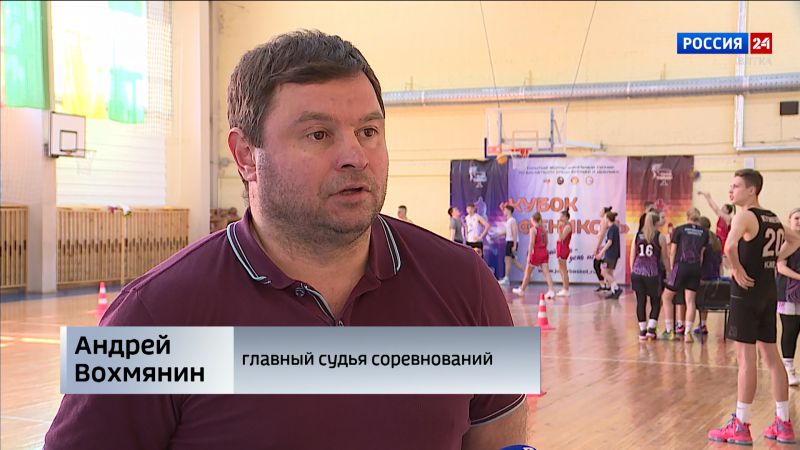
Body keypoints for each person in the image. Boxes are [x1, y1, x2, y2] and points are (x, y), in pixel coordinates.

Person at [44, 30, 526, 449]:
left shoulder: (466, 284)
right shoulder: (148, 317)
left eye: (368, 130)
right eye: (318, 134)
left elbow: (504, 440)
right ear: (245, 155)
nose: (355, 155)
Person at [708, 169, 798, 445]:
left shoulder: (744, 216)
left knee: (746, 360)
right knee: (771, 357)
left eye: (736, 186)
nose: (730, 190)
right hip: (768, 292)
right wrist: (773, 258)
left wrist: (736, 269)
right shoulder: (772, 218)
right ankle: (783, 423)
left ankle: (741, 424)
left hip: (745, 294)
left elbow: (729, 247)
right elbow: (796, 240)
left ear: (751, 190)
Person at [660, 208, 708, 343]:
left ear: (687, 216)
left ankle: (669, 331)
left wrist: (671, 269)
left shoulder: (680, 229)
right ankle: (688, 333)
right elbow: (701, 255)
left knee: (666, 297)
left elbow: (673, 251)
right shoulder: (704, 232)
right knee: (690, 301)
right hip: (695, 267)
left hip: (681, 266)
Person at [629, 211, 670, 340]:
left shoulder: (637, 236)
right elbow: (665, 258)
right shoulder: (659, 237)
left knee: (640, 302)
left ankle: (642, 331)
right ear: (656, 222)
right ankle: (651, 329)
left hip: (637, 273)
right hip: (653, 274)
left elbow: (632, 256)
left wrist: (633, 271)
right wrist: (669, 272)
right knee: (656, 301)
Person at [777, 207, 800, 386]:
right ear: (789, 221)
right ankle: (788, 369)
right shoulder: (787, 241)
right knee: (790, 330)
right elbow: (780, 266)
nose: (799, 221)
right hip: (787, 292)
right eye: (796, 218)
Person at [513, 212, 555, 298]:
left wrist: (529, 255)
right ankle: (551, 290)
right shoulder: (543, 230)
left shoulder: (533, 229)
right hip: (544, 252)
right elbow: (546, 242)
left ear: (533, 220)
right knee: (547, 273)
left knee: (527, 272)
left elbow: (531, 243)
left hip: (536, 253)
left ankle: (522, 290)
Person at [694, 216, 723, 335]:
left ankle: (683, 325)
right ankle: (702, 324)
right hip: (715, 277)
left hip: (703, 276)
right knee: (704, 301)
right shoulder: (717, 239)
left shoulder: (702, 240)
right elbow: (720, 261)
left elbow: (700, 260)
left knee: (692, 299)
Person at [698, 191, 734, 270]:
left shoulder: (728, 218)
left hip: (725, 244)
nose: (721, 208)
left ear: (727, 210)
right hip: (718, 243)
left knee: (727, 267)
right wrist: (707, 198)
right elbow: (714, 208)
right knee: (720, 265)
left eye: (723, 207)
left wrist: (708, 197)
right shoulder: (721, 218)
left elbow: (716, 209)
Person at [596, 211, 622, 299]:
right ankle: (613, 291)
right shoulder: (614, 228)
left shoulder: (612, 228)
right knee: (609, 273)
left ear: (607, 219)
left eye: (604, 218)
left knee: (603, 272)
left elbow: (609, 242)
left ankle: (617, 288)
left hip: (610, 254)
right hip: (613, 254)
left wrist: (601, 252)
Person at [498, 205, 525, 286]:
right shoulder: (508, 221)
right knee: (513, 261)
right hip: (509, 241)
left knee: (507, 260)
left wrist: (514, 245)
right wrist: (495, 235)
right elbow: (507, 232)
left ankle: (506, 278)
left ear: (509, 210)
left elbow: (514, 232)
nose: (504, 212)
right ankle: (527, 273)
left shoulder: (512, 220)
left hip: (511, 242)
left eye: (505, 210)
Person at [593, 206, 613, 293]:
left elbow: (601, 235)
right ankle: (606, 285)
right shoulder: (605, 221)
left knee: (597, 264)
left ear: (605, 213)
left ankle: (604, 285)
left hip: (602, 246)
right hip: (603, 245)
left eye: (601, 210)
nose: (599, 212)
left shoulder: (604, 221)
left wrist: (596, 248)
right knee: (603, 266)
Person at [555, 210, 572, 296]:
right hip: (560, 247)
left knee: (563, 269)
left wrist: (558, 228)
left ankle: (566, 289)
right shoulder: (564, 226)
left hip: (563, 248)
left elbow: (562, 238)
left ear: (566, 217)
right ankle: (564, 288)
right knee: (560, 269)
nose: (560, 218)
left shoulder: (568, 227)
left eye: (562, 216)